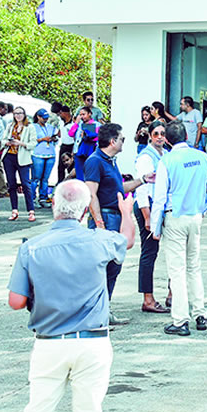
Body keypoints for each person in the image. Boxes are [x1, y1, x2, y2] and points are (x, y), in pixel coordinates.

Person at [0, 179, 135, 412]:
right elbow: (127, 240)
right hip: (92, 342)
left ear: (54, 207)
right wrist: (127, 213)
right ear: (85, 209)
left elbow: (15, 301)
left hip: (49, 342)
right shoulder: (99, 241)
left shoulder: (32, 247)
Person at [150, 121, 207, 336]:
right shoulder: (202, 156)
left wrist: (155, 226)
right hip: (195, 217)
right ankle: (201, 314)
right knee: (194, 266)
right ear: (187, 137)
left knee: (177, 271)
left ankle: (181, 320)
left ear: (168, 140)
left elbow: (160, 197)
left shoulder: (167, 160)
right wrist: (203, 208)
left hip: (175, 217)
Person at [85, 123, 143, 325]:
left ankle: (104, 311)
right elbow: (91, 194)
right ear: (112, 141)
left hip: (115, 217)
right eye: (122, 139)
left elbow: (119, 188)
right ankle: (97, 314)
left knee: (113, 267)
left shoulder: (110, 162)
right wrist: (99, 223)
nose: (123, 142)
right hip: (106, 219)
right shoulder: (95, 162)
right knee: (103, 267)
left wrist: (142, 180)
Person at [133, 120, 169, 314]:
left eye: (163, 133)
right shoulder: (146, 157)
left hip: (161, 207)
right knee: (149, 252)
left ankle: (171, 294)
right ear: (150, 135)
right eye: (156, 134)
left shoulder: (166, 154)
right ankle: (148, 298)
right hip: (147, 207)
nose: (160, 137)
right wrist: (147, 217)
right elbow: (141, 189)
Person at [1, 106, 37, 222]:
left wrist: (20, 143)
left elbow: (33, 143)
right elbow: (2, 140)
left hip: (23, 157)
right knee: (11, 185)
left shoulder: (29, 127)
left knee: (26, 184)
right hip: (9, 156)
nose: (18, 116)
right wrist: (8, 143)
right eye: (16, 113)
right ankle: (14, 210)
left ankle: (31, 211)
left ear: (24, 114)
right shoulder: (10, 126)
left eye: (20, 113)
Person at [32, 109, 58, 206]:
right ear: (38, 117)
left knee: (45, 178)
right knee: (36, 177)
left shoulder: (50, 127)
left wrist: (54, 138)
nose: (45, 120)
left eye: (47, 118)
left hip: (50, 153)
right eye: (43, 118)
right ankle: (32, 198)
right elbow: (31, 140)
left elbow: (56, 139)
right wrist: (43, 139)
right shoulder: (33, 127)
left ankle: (43, 198)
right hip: (38, 154)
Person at [71, 106, 99, 175]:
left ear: (89, 114)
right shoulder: (79, 124)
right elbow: (71, 133)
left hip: (91, 151)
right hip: (78, 151)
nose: (82, 117)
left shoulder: (96, 124)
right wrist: (76, 123)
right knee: (80, 173)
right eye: (80, 115)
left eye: (84, 114)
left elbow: (98, 137)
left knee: (90, 173)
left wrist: (87, 134)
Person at [56, 105, 76, 179]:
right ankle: (60, 182)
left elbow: (75, 138)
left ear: (65, 113)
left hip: (71, 145)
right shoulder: (61, 122)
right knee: (60, 166)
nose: (59, 115)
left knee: (71, 165)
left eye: (60, 113)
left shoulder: (73, 124)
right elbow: (59, 133)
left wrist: (73, 150)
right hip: (63, 144)